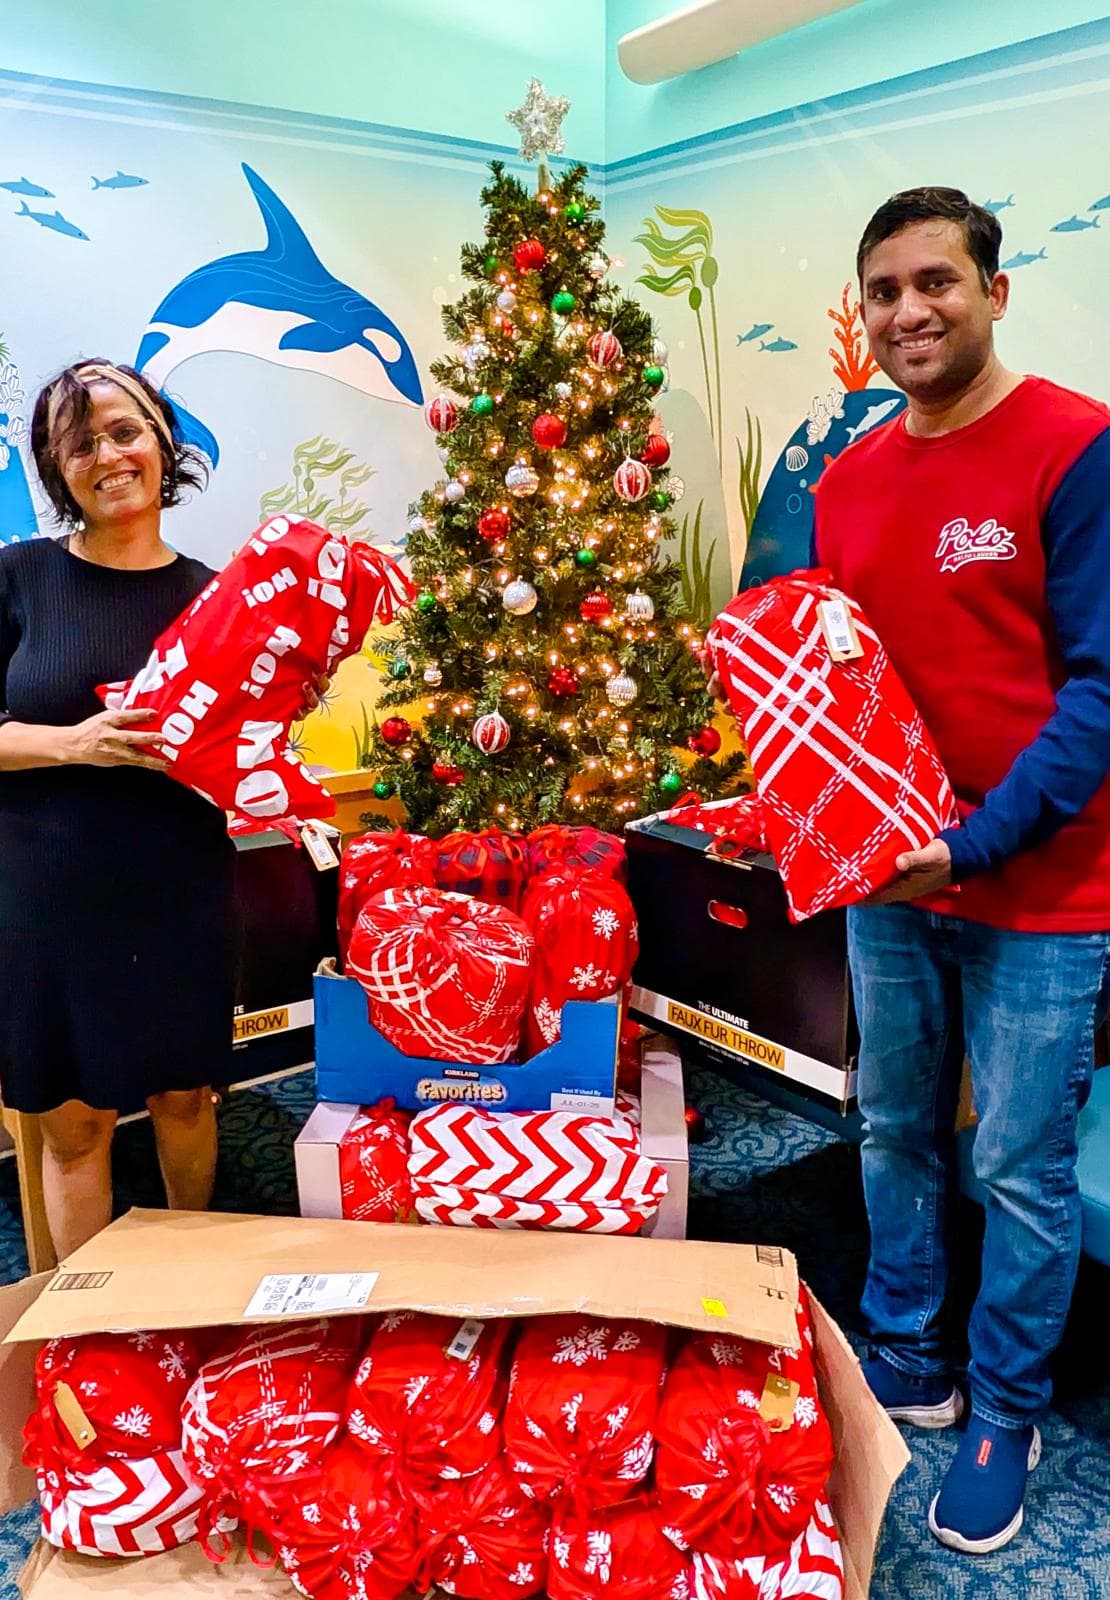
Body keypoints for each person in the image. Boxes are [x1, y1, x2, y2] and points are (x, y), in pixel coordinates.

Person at [809, 189, 1110, 1555]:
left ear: (992, 291)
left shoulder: (1075, 447)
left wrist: (970, 845)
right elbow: (833, 690)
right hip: (889, 887)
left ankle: (1003, 1404)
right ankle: (907, 1360)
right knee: (889, 1128)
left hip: (1040, 891)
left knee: (1019, 1165)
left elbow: (1099, 695)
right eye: (881, 290)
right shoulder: (847, 480)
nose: (907, 310)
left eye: (934, 281)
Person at [0, 359, 322, 1258]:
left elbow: (250, 751)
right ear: (57, 468)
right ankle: (87, 1323)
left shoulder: (221, 598)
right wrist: (75, 743)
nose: (108, 455)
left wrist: (291, 704)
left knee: (186, 1098)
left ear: (164, 443)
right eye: (80, 442)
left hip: (179, 888)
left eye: (125, 431)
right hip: (50, 897)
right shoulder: (17, 577)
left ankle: (191, 1280)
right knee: (76, 1127)